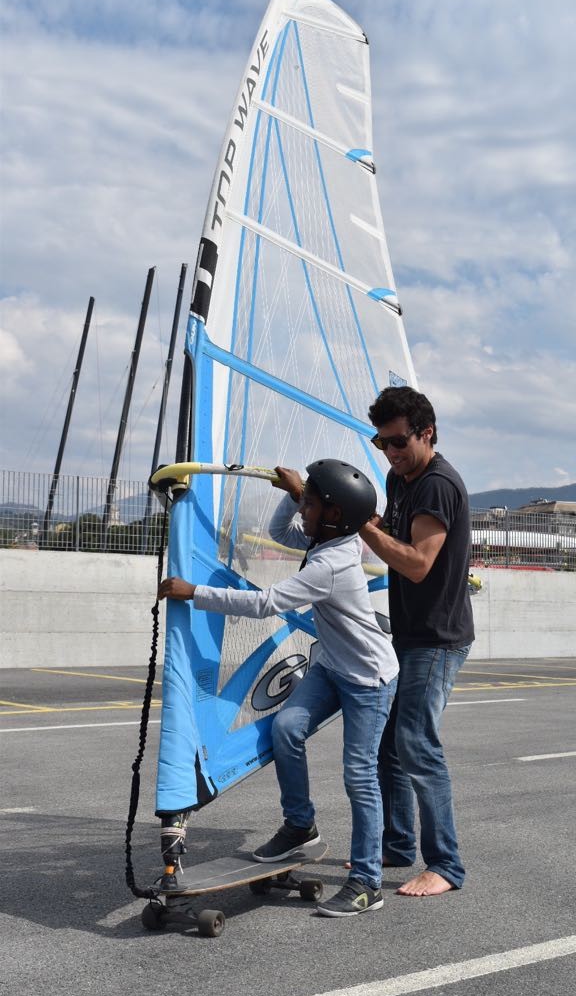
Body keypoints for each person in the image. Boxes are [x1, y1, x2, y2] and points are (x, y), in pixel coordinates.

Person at [158, 458, 398, 917]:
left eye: (309, 502)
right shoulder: (330, 536)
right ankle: (299, 826)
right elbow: (279, 533)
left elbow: (266, 604)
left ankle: (368, 882)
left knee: (359, 776)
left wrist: (194, 592)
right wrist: (292, 495)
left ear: (332, 515)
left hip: (368, 678)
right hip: (332, 667)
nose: (302, 508)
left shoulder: (332, 562)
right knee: (287, 728)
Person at [358, 386, 474, 897]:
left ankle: (446, 865)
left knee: (416, 744)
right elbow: (389, 533)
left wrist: (361, 526)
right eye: (382, 443)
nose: (391, 452)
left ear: (427, 433)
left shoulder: (436, 485)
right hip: (407, 631)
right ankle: (399, 844)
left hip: (438, 636)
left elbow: (416, 562)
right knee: (389, 744)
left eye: (400, 441)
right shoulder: (398, 478)